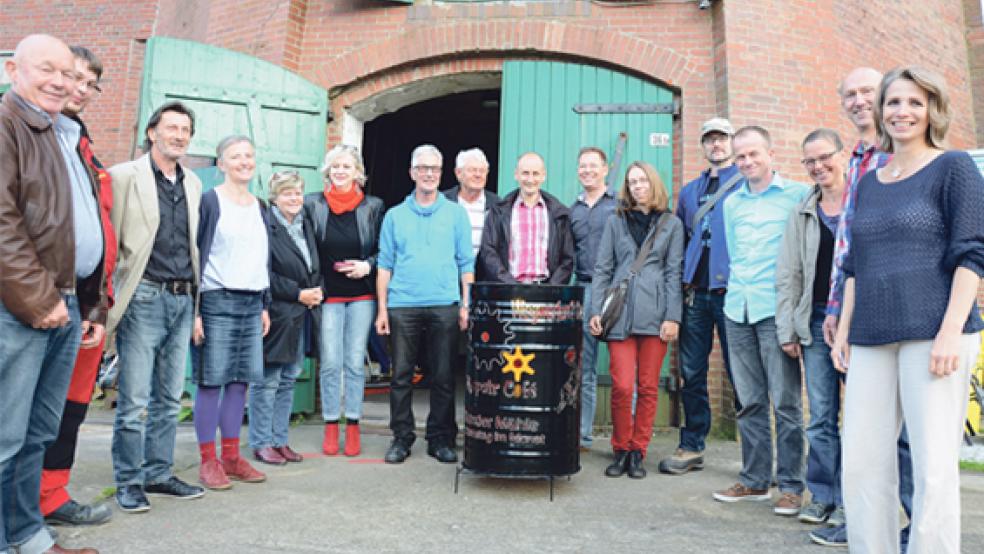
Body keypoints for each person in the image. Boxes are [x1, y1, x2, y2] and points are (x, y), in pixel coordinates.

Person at [831, 66, 984, 554]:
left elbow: (973, 253)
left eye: (915, 102)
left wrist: (949, 331)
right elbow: (855, 262)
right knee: (861, 465)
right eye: (894, 102)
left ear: (932, 110)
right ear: (881, 111)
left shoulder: (954, 167)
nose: (903, 112)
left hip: (935, 334)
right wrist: (843, 331)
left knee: (933, 468)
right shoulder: (870, 182)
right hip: (872, 334)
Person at [0, 33, 102, 554]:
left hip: (60, 305)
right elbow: (3, 223)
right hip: (20, 308)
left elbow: (76, 224)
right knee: (5, 437)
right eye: (48, 70)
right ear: (14, 68)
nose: (61, 82)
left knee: (38, 433)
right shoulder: (7, 124)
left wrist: (83, 303)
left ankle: (27, 536)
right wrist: (40, 300)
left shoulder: (57, 131)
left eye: (68, 73)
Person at [809, 66, 914, 550]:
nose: (857, 101)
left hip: (903, 306)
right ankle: (867, 520)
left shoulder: (906, 154)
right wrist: (835, 309)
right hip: (856, 305)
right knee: (865, 427)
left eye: (866, 92)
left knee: (905, 428)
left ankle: (916, 520)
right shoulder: (856, 159)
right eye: (848, 94)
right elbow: (848, 244)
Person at [109, 101, 206, 512]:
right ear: (153, 133)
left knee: (169, 398)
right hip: (144, 297)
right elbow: (111, 242)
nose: (179, 135)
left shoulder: (194, 184)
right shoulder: (123, 176)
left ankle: (159, 472)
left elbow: (194, 246)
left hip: (183, 299)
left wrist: (197, 307)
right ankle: (128, 481)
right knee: (133, 400)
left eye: (186, 129)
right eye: (172, 127)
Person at [711, 126, 809, 516]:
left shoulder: (797, 195)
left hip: (776, 311)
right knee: (749, 401)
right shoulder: (732, 203)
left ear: (770, 154)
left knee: (785, 402)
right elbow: (736, 255)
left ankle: (791, 485)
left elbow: (803, 255)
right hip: (738, 308)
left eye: (754, 154)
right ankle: (755, 481)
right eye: (740, 157)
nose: (747, 162)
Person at [39, 45, 117, 529]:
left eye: (90, 84)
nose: (80, 91)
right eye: (74, 79)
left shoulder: (82, 148)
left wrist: (98, 308)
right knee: (23, 412)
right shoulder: (29, 136)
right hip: (38, 302)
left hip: (83, 306)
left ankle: (51, 496)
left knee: (68, 409)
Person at [375, 144, 474, 464]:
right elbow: (384, 265)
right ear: (412, 173)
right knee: (401, 375)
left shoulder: (456, 213)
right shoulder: (394, 215)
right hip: (403, 305)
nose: (429, 173)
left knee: (444, 376)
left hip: (445, 304)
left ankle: (440, 438)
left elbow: (466, 263)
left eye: (434, 168)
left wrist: (465, 305)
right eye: (423, 168)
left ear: (440, 173)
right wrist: (382, 309)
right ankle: (401, 438)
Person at [588, 161, 683, 479]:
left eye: (642, 181)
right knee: (622, 386)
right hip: (619, 316)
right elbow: (603, 268)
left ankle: (638, 451)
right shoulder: (616, 221)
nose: (637, 186)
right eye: (631, 182)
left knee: (647, 387)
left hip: (656, 316)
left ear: (653, 183)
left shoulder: (671, 223)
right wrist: (596, 312)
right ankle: (620, 448)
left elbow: (673, 273)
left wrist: (672, 316)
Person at [659, 117, 742, 475]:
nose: (716, 145)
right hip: (696, 293)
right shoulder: (690, 191)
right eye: (710, 139)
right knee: (692, 372)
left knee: (743, 373)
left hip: (733, 291)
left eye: (722, 138)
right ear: (703, 145)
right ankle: (692, 444)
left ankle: (754, 453)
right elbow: (681, 239)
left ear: (732, 142)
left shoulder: (744, 184)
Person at [774, 128, 847, 526]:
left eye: (824, 157)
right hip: (817, 322)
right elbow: (789, 274)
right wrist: (788, 328)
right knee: (820, 416)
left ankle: (856, 500)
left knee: (862, 418)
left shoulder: (864, 201)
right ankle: (823, 496)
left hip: (861, 326)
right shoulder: (803, 211)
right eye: (810, 162)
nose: (818, 167)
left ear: (843, 154)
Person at [192, 135, 271, 490]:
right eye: (236, 156)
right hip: (216, 300)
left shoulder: (261, 206)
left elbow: (261, 258)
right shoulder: (210, 202)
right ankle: (208, 461)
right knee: (211, 382)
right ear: (221, 164)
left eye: (249, 156)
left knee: (240, 383)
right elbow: (195, 255)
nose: (244, 161)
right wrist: (195, 311)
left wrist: (265, 304)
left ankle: (232, 457)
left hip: (252, 302)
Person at [305, 145, 383, 457]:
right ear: (327, 170)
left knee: (353, 361)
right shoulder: (313, 204)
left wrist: (368, 265)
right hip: (328, 294)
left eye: (346, 166)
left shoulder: (372, 206)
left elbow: (384, 249)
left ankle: (352, 424)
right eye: (335, 166)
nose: (340, 171)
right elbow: (306, 249)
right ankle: (329, 424)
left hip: (361, 294)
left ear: (357, 172)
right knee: (331, 361)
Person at [249, 171, 322, 465]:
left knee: (289, 378)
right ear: (275, 198)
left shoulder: (304, 224)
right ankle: (261, 442)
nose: (294, 198)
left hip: (301, 314)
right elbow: (263, 272)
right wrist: (297, 293)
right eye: (287, 193)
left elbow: (313, 265)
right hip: (277, 313)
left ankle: (280, 440)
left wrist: (316, 291)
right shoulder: (266, 227)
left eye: (298, 192)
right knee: (268, 380)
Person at [570, 146, 617, 451]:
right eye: (583, 166)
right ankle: (583, 435)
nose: (588, 171)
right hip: (584, 288)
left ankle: (624, 441)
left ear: (605, 169)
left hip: (615, 292)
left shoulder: (619, 206)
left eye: (593, 166)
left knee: (622, 369)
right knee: (584, 369)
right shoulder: (571, 210)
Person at [478, 152, 574, 285]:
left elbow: (567, 258)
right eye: (525, 173)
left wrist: (552, 288)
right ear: (516, 174)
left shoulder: (559, 213)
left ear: (543, 175)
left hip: (546, 292)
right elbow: (488, 252)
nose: (530, 179)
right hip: (509, 289)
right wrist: (509, 284)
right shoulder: (499, 211)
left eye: (535, 173)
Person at [444, 147, 500, 265]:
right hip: (448, 275)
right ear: (458, 173)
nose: (478, 175)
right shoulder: (443, 202)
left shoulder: (497, 205)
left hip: (484, 279)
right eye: (472, 170)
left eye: (482, 170)